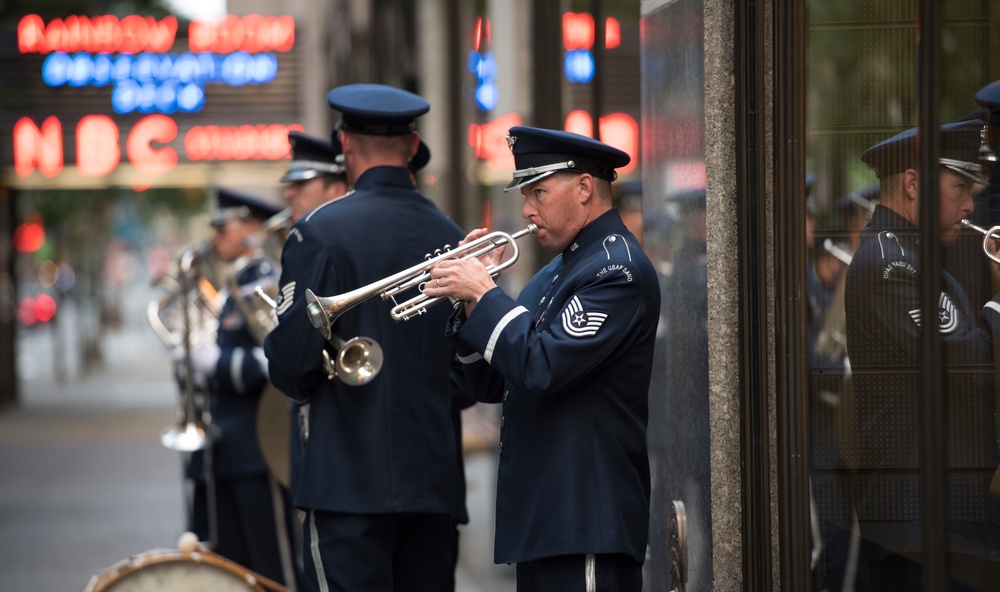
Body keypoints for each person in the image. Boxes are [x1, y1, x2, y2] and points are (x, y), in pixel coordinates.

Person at [423, 126, 660, 591]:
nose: (528, 209)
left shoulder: (617, 270)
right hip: (543, 521)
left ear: (585, 187)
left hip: (584, 518)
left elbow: (542, 367)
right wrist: (470, 304)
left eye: (539, 192)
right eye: (525, 193)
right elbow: (489, 385)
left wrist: (486, 295)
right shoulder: (558, 271)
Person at [263, 83, 465, 592]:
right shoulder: (453, 235)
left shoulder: (319, 231)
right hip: (433, 485)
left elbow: (291, 367)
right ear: (414, 147)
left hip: (347, 487)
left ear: (344, 144)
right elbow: (469, 375)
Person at [844, 119, 1000, 590]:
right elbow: (966, 363)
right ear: (913, 183)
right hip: (919, 520)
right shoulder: (892, 264)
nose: (970, 204)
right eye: (960, 187)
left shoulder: (915, 258)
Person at [186, 188, 297, 585]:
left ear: (251, 227)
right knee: (231, 567)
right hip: (227, 449)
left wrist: (217, 364)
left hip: (258, 447)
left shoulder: (262, 278)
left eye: (224, 226)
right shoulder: (235, 281)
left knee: (272, 568)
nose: (216, 236)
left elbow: (273, 359)